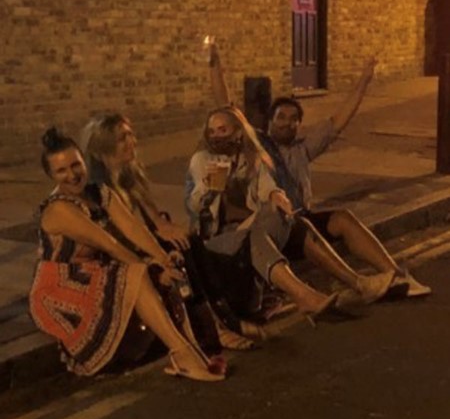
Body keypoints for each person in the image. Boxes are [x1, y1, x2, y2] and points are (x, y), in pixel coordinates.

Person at [208, 43, 430, 299]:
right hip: (275, 225)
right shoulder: (256, 144)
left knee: (342, 218)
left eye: (293, 119)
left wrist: (364, 81)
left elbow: (339, 121)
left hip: (302, 219)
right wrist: (215, 66)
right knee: (303, 223)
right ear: (269, 121)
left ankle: (397, 276)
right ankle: (358, 284)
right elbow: (226, 107)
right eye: (281, 117)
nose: (287, 123)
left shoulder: (302, 149)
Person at [29, 127, 225, 381]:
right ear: (51, 176)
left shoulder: (99, 192)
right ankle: (182, 353)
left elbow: (134, 228)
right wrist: (153, 268)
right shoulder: (58, 209)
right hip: (60, 286)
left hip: (94, 272)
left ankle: (200, 344)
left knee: (172, 261)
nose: (72, 175)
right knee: (138, 274)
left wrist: (163, 259)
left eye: (75, 165)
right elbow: (110, 244)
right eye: (61, 171)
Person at [185, 105, 384, 325]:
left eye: (222, 130)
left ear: (238, 131)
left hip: (252, 227)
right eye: (211, 131)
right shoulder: (203, 160)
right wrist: (212, 186)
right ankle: (304, 296)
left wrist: (277, 196)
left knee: (297, 224)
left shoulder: (251, 157)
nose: (216, 136)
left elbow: (267, 188)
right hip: (220, 239)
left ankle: (357, 283)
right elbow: (195, 207)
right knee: (255, 236)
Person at [80, 114, 258, 348]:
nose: (132, 141)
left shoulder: (128, 174)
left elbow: (156, 220)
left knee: (187, 242)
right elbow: (197, 205)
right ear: (104, 147)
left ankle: (223, 319)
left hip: (213, 228)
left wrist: (166, 228)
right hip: (120, 256)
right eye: (123, 138)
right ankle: (214, 327)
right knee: (179, 253)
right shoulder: (99, 191)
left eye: (131, 134)